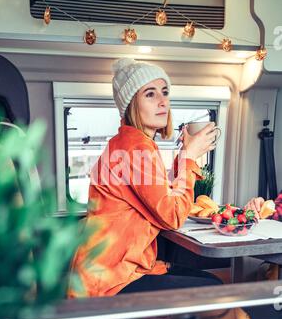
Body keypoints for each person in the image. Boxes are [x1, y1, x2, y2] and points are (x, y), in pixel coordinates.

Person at [68, 58, 221, 298]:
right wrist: (190, 157)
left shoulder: (127, 143)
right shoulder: (136, 148)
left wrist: (183, 157)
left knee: (209, 281)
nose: (163, 102)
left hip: (113, 270)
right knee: (213, 289)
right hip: (110, 281)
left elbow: (157, 198)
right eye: (150, 94)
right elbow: (172, 217)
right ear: (131, 105)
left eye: (165, 92)